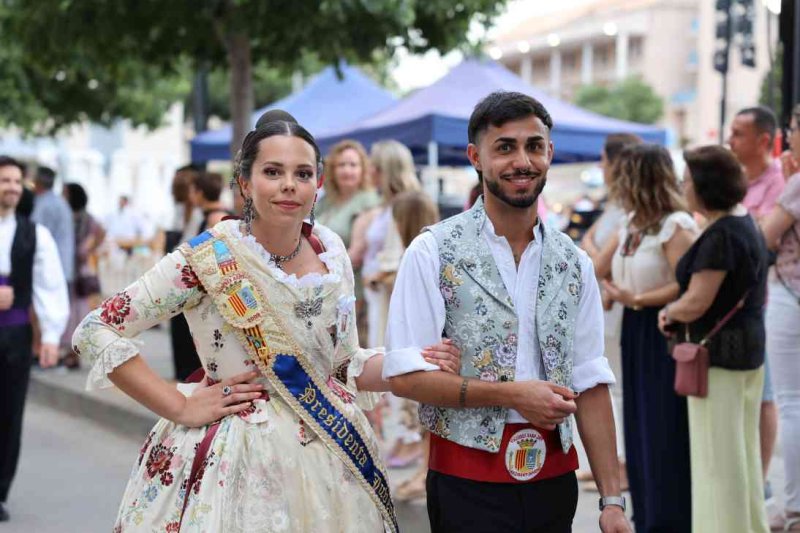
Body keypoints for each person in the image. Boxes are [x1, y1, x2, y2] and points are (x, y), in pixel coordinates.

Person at [72, 112, 459, 532]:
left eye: (303, 173)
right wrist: (178, 404)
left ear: (318, 185)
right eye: (273, 172)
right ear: (244, 183)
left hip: (329, 461)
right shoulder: (206, 259)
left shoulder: (332, 252)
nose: (289, 184)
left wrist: (412, 360)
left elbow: (343, 365)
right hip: (236, 462)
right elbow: (95, 329)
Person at [385, 91, 629, 533]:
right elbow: (404, 376)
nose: (523, 160)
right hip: (465, 477)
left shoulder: (574, 262)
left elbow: (591, 381)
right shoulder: (433, 250)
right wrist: (513, 394)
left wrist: (612, 501)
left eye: (534, 146)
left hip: (554, 478)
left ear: (550, 153)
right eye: (505, 147)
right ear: (476, 158)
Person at [658, 145, 769, 533]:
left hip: (718, 358)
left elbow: (697, 300)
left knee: (718, 460)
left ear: (705, 185)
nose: (682, 186)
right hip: (746, 351)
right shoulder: (745, 222)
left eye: (687, 179)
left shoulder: (721, 235)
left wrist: (669, 312)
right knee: (742, 455)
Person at [602, 144, 697, 532]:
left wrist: (636, 297)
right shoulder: (632, 224)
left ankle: (669, 517)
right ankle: (646, 512)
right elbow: (596, 265)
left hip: (664, 329)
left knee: (662, 425)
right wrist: (615, 291)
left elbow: (687, 284)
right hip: (635, 327)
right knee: (638, 421)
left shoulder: (677, 224)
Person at [0, 156, 69, 522]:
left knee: (9, 412)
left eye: (15, 181)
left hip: (13, 333)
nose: (11, 187)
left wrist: (51, 336)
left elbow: (50, 285)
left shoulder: (34, 233)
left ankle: (0, 491)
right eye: (4, 180)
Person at [728, 106, 782, 494]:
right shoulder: (733, 180)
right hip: (727, 306)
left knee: (765, 395)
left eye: (738, 134)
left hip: (763, 304)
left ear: (763, 140)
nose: (730, 141)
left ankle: (759, 481)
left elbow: (761, 242)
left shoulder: (780, 183)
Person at [760, 105, 800, 531]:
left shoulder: (796, 186)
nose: (788, 138)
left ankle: (794, 510)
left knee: (791, 402)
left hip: (791, 294)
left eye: (791, 130)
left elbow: (764, 236)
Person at [351, 140, 420, 348]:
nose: (369, 170)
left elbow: (411, 252)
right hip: (378, 296)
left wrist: (378, 276)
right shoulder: (385, 207)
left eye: (374, 166)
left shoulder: (409, 204)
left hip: (391, 298)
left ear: (385, 170)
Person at [61, 183, 105, 369]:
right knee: (77, 311)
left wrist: (90, 248)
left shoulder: (76, 218)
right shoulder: (86, 218)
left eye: (64, 193)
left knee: (76, 312)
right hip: (78, 268)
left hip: (78, 270)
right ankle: (73, 351)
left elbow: (101, 232)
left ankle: (73, 352)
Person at [31, 166, 75, 284]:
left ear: (37, 181)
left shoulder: (43, 204)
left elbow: (35, 235)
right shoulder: (61, 202)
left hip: (49, 270)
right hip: (63, 267)